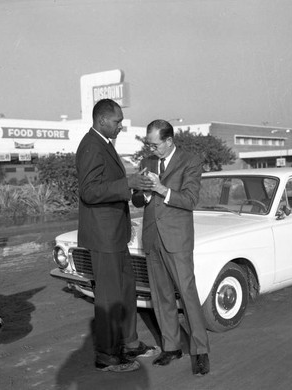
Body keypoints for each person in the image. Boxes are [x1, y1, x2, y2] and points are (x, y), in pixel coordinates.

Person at [76, 99, 159, 373]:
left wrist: (137, 188)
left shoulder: (105, 145)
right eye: (117, 121)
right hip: (103, 236)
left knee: (125, 290)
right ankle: (107, 355)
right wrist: (128, 183)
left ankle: (129, 342)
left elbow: (110, 187)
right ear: (101, 120)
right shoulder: (91, 146)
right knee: (110, 297)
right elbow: (89, 191)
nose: (121, 126)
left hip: (115, 234)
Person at [132, 119, 210, 376]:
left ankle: (200, 351)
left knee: (187, 295)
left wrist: (160, 188)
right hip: (153, 237)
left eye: (155, 145)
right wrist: (141, 193)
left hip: (177, 240)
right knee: (161, 295)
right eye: (148, 144)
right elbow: (138, 199)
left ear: (168, 141)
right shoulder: (146, 162)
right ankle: (171, 346)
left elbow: (190, 200)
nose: (151, 149)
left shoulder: (191, 161)